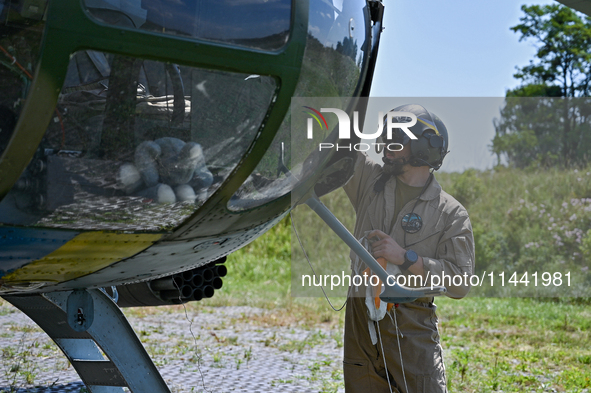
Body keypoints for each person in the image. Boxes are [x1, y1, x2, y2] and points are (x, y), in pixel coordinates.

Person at [342, 104, 475, 393]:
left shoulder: (451, 214)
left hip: (411, 327)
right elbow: (341, 144)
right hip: (360, 323)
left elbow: (460, 283)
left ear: (426, 148)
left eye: (396, 141)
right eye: (386, 139)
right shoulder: (369, 180)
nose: (386, 148)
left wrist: (405, 257)